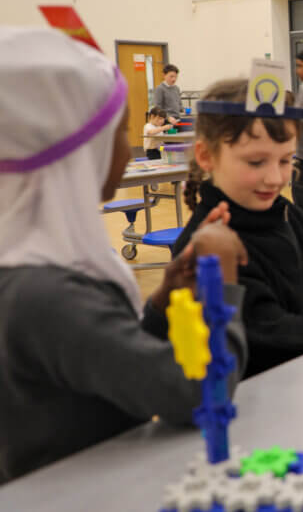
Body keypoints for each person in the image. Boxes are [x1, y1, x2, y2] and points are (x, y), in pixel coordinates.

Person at [0, 27, 248, 483]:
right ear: (82, 145)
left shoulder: (26, 269)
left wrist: (157, 303)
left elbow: (102, 359)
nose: (128, 146)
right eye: (121, 130)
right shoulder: (49, 295)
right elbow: (196, 395)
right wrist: (223, 287)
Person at [173, 79, 303, 377]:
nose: (275, 179)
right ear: (207, 156)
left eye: (286, 160)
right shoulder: (208, 246)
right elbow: (273, 337)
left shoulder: (288, 214)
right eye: (256, 162)